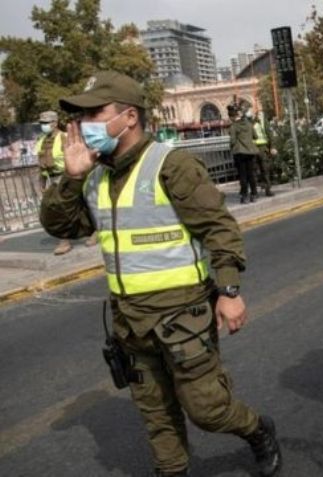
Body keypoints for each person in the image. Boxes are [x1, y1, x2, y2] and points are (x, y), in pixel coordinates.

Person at [39, 71, 282, 477]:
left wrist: (228, 290)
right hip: (130, 323)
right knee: (157, 418)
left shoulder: (173, 166)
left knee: (207, 410)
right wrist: (72, 176)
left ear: (129, 117)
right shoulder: (96, 175)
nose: (84, 126)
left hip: (183, 318)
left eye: (95, 113)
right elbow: (62, 227)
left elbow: (219, 229)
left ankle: (258, 430)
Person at [35, 111, 99, 254]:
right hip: (52, 178)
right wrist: (42, 182)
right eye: (42, 123)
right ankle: (64, 240)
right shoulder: (41, 140)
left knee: (85, 204)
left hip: (68, 177)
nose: (43, 126)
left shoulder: (66, 137)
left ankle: (94, 231)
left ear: (55, 123)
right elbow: (41, 164)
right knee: (58, 207)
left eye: (46, 123)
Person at [228, 104, 260, 203]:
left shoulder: (234, 126)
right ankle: (254, 194)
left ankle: (245, 196)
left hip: (240, 153)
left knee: (243, 175)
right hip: (251, 152)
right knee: (251, 174)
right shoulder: (249, 124)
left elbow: (232, 141)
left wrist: (232, 148)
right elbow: (255, 137)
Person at [251, 110, 275, 197]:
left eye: (261, 115)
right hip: (254, 148)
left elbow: (270, 135)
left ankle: (268, 189)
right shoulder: (253, 123)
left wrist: (272, 147)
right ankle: (255, 191)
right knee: (255, 170)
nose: (260, 116)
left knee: (265, 169)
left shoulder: (265, 123)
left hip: (263, 148)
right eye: (258, 114)